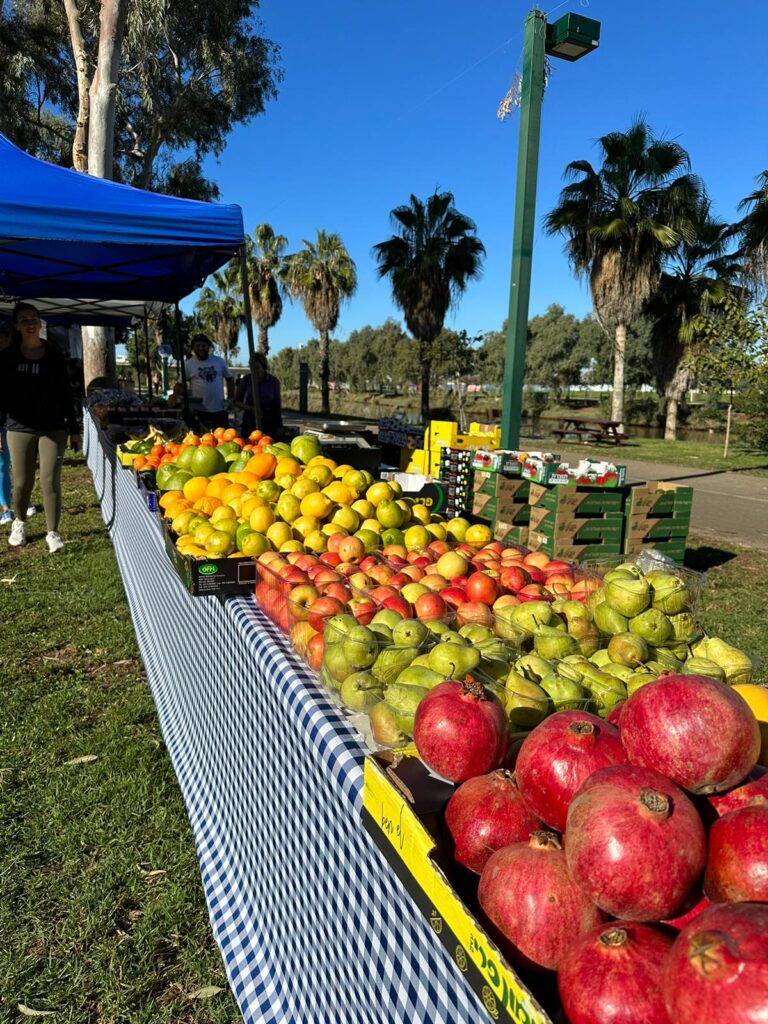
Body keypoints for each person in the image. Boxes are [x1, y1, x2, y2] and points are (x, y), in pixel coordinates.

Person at [0, 302, 81, 552]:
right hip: (18, 428)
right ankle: (20, 522)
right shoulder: (7, 358)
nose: (30, 322)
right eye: (24, 319)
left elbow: (67, 394)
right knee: (22, 483)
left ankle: (52, 533)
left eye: (34, 318)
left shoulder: (53, 354)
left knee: (50, 480)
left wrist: (74, 428)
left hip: (53, 428)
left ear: (40, 322)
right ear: (16, 325)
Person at [184, 334, 233, 431]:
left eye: (203, 346)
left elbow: (230, 379)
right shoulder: (188, 364)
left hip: (219, 409)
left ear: (209, 347)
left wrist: (231, 398)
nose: (200, 348)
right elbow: (180, 384)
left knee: (222, 440)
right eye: (197, 346)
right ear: (193, 348)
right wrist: (174, 396)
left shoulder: (219, 361)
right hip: (198, 411)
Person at [234, 353, 283, 439]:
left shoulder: (273, 381)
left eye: (257, 368)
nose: (254, 371)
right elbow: (237, 401)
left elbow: (277, 405)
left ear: (264, 367)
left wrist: (279, 425)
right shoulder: (246, 380)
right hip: (250, 422)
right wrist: (250, 408)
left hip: (269, 421)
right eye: (251, 368)